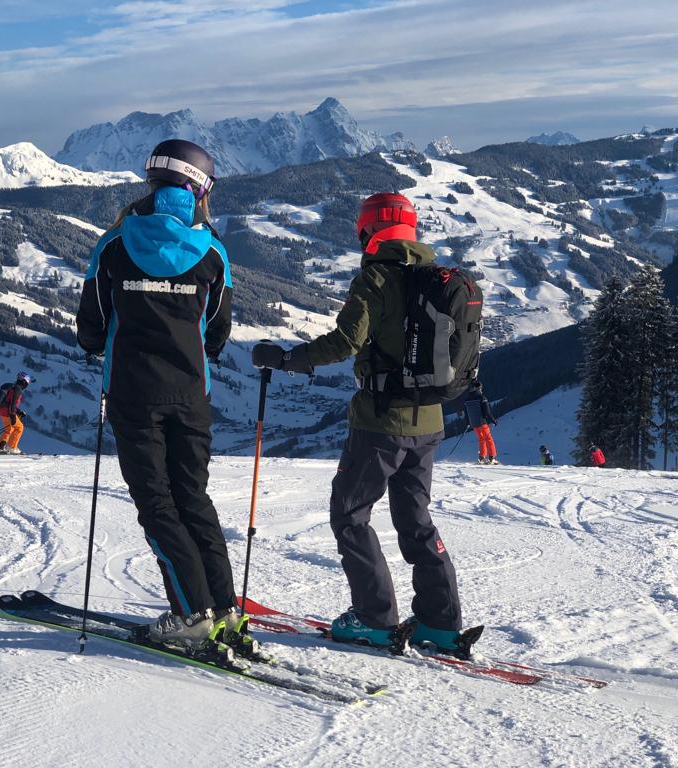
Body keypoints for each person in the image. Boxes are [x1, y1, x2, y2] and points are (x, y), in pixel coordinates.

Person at [252, 192, 467, 654]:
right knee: (416, 520)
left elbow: (344, 342)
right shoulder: (434, 278)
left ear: (368, 232)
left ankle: (374, 618)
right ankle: (441, 622)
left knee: (349, 514)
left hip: (380, 423)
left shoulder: (376, 279)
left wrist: (288, 358)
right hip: (429, 421)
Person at [76, 139, 238, 651]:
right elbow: (217, 330)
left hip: (132, 393)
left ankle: (192, 614)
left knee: (156, 503)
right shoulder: (212, 251)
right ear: (200, 192)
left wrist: (105, 343)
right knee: (192, 497)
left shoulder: (116, 243)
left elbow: (92, 325)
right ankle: (224, 609)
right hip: (190, 396)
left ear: (152, 182)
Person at [463, 381, 499, 465]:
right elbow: (487, 411)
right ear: (478, 388)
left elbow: (466, 413)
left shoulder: (467, 399)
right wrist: (493, 420)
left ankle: (482, 457)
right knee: (489, 439)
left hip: (474, 423)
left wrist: (468, 423)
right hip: (482, 422)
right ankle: (492, 457)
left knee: (481, 439)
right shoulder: (481, 397)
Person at [0, 373, 30, 454]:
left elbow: (9, 402)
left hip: (1, 411)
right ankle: (12, 447)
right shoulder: (18, 389)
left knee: (9, 429)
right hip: (8, 412)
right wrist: (13, 415)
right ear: (25, 382)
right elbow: (12, 404)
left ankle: (0, 447)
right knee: (19, 428)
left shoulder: (12, 387)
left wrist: (18, 412)